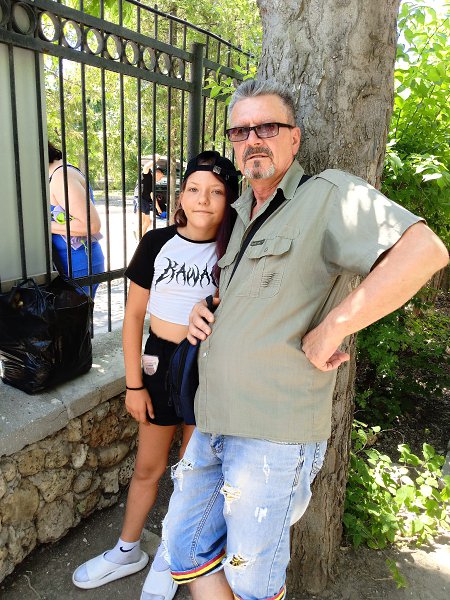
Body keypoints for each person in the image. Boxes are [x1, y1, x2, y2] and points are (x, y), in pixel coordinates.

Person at [162, 79, 449, 600]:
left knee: (251, 581)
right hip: (213, 420)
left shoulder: (327, 195)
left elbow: (424, 251)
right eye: (241, 131)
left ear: (294, 138)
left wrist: (335, 326)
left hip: (273, 433)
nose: (253, 139)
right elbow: (252, 294)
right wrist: (207, 309)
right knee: (184, 547)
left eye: (267, 127)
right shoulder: (241, 211)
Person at [72, 150, 239, 600]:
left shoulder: (234, 252)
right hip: (160, 364)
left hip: (210, 367)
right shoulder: (156, 242)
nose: (203, 199)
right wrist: (133, 384)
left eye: (216, 192)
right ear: (181, 194)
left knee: (192, 472)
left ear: (230, 200)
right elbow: (132, 318)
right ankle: (127, 550)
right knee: (148, 466)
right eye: (194, 189)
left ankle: (173, 555)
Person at [48, 142, 104, 297]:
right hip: (70, 263)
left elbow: (91, 225)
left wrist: (43, 226)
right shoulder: (56, 174)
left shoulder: (60, 177)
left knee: (75, 312)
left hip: (77, 265)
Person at [134, 160, 166, 238]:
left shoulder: (152, 183)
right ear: (157, 173)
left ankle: (140, 237)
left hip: (145, 201)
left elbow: (152, 196)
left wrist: (159, 210)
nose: (161, 178)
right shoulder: (147, 175)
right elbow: (146, 167)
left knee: (147, 222)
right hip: (140, 198)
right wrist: (155, 158)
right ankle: (139, 239)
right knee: (143, 222)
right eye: (161, 176)